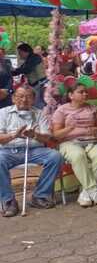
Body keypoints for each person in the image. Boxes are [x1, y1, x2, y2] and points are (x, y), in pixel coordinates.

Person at [0, 87, 61, 216]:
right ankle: (8, 200)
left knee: (55, 157)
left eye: (28, 97)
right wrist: (14, 135)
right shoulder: (3, 113)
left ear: (33, 100)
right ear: (13, 98)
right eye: (20, 96)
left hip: (35, 149)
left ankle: (40, 195)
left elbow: (48, 138)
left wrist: (35, 135)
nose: (24, 99)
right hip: (9, 150)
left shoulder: (40, 114)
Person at [52, 85, 97, 207]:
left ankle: (86, 192)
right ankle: (93, 192)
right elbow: (56, 135)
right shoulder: (62, 110)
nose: (85, 94)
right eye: (81, 92)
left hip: (91, 141)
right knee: (78, 155)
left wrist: (95, 129)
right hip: (69, 142)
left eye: (86, 92)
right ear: (71, 95)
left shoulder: (93, 109)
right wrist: (69, 128)